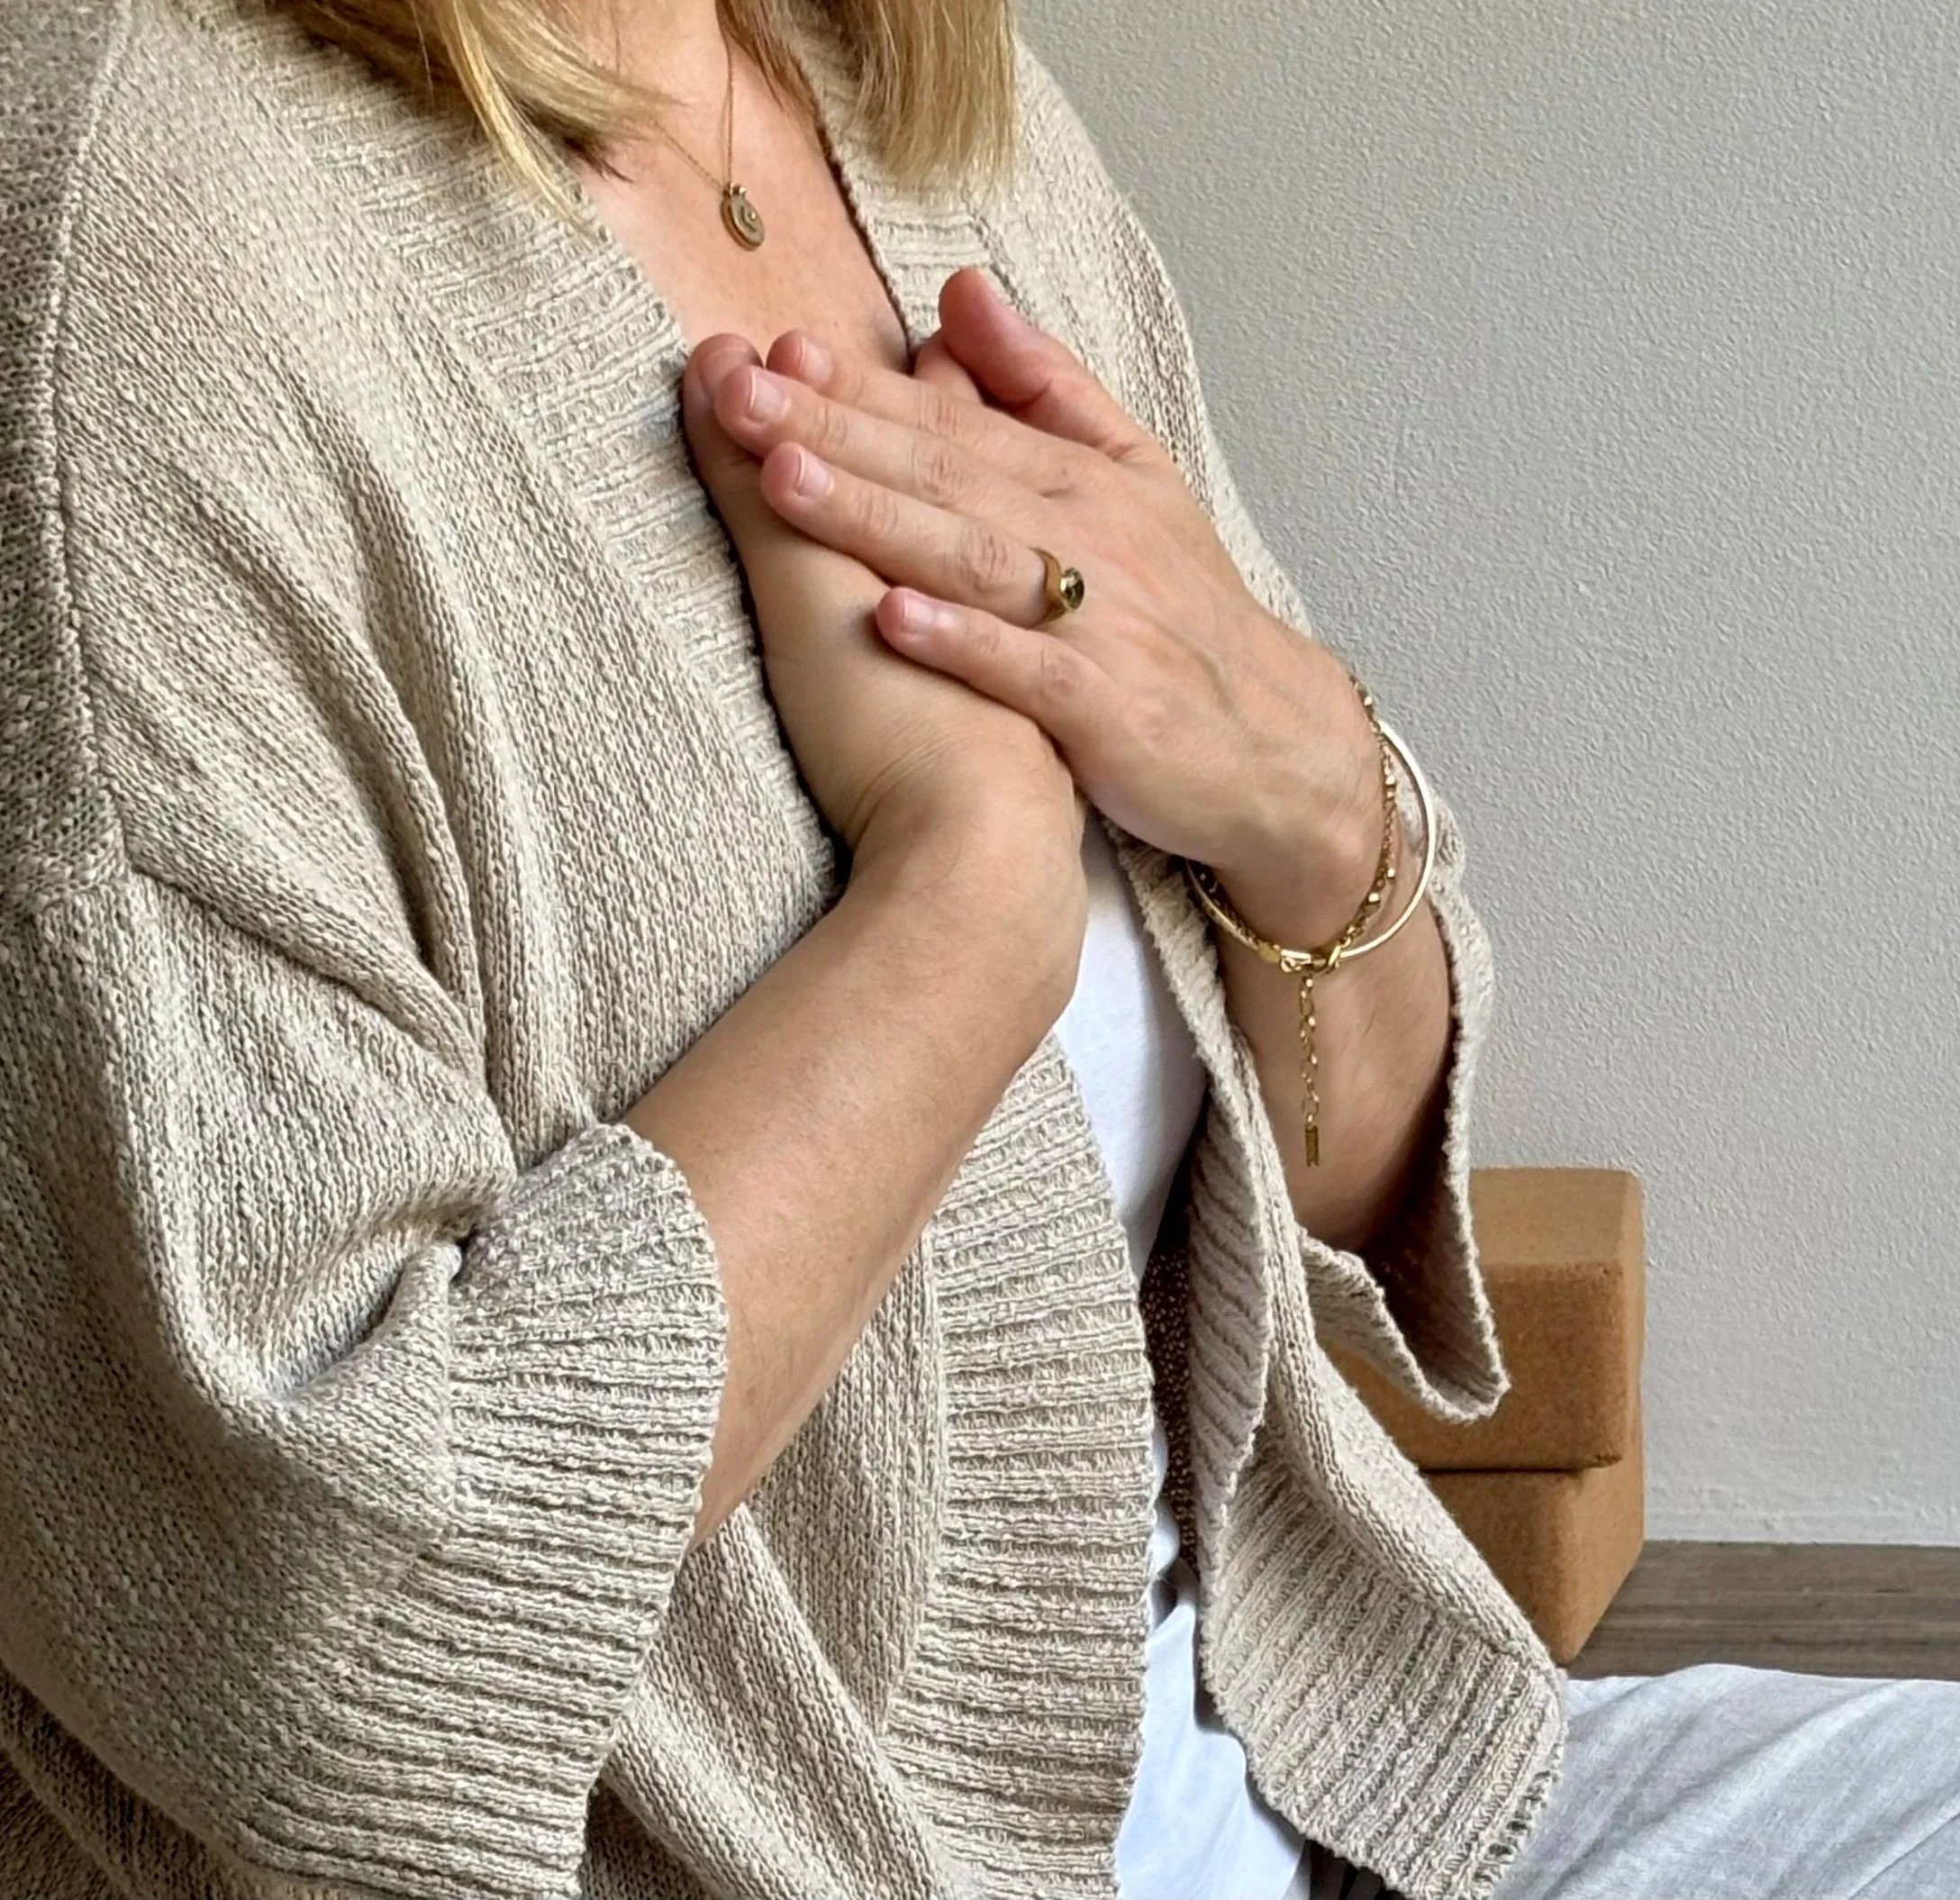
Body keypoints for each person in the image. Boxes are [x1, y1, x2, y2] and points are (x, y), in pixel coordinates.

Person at [2, 2, 1956, 1898]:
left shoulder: (905, 100)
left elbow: (1351, 1193)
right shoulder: (129, 250)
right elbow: (316, 1659)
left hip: (1334, 1796)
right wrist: (965, 902)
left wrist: (1314, 809)